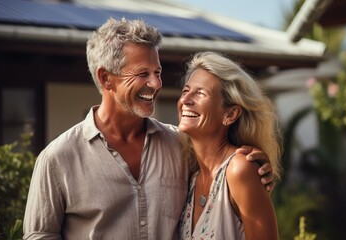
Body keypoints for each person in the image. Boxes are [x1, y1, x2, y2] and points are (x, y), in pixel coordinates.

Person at [23, 18, 274, 239]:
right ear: (105, 78)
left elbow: (225, 169)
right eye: (143, 73)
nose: (155, 84)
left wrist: (255, 164)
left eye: (157, 72)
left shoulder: (180, 146)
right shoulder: (57, 159)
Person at [177, 51, 282, 240]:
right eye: (185, 91)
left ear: (230, 114)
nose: (185, 100)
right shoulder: (191, 174)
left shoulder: (240, 169)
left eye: (200, 93)